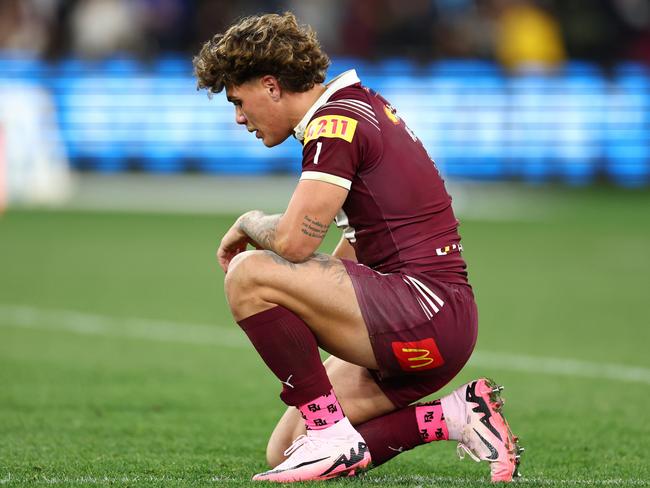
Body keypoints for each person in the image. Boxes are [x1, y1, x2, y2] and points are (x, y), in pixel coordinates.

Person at [193, 12, 522, 483]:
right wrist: (319, 300)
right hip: (434, 317)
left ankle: (331, 435)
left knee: (249, 272)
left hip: (423, 312)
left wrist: (249, 222)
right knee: (285, 449)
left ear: (270, 84)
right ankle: (458, 415)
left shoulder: (335, 124)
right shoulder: (354, 107)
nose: (239, 118)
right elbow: (357, 242)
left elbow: (293, 241)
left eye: (238, 101)